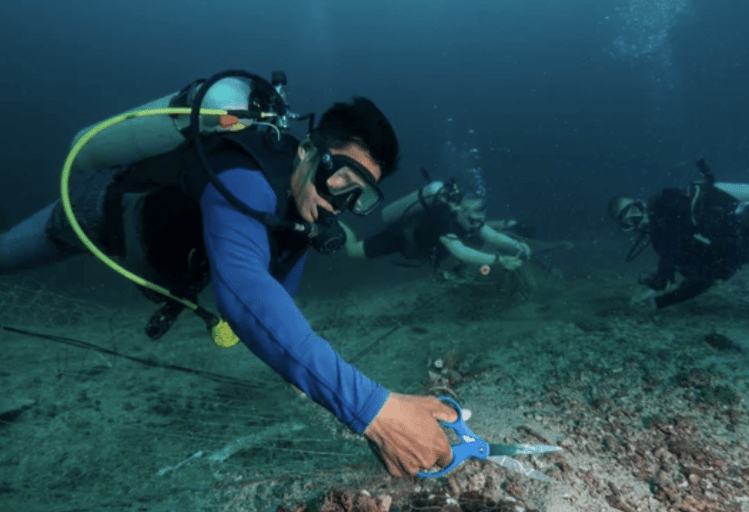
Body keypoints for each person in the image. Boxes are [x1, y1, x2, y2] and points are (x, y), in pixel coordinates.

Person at [0, 70, 458, 477]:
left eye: (358, 197)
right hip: (96, 217)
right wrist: (371, 408)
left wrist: (302, 375)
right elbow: (244, 295)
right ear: (307, 149)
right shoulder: (244, 175)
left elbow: (277, 300)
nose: (337, 202)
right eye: (340, 178)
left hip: (147, 253)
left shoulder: (302, 213)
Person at [607, 159, 749, 309]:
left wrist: (664, 273)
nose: (637, 221)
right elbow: (703, 281)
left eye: (634, 212)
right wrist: (659, 302)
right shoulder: (663, 246)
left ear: (640, 203)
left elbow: (673, 230)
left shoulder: (667, 202)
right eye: (628, 222)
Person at [342, 180, 531, 275]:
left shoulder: (469, 218)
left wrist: (516, 245)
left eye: (480, 219)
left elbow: (492, 237)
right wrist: (499, 260)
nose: (477, 223)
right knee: (352, 251)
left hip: (426, 247)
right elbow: (461, 252)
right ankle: (336, 223)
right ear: (459, 209)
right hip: (401, 239)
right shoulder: (443, 221)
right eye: (472, 219)